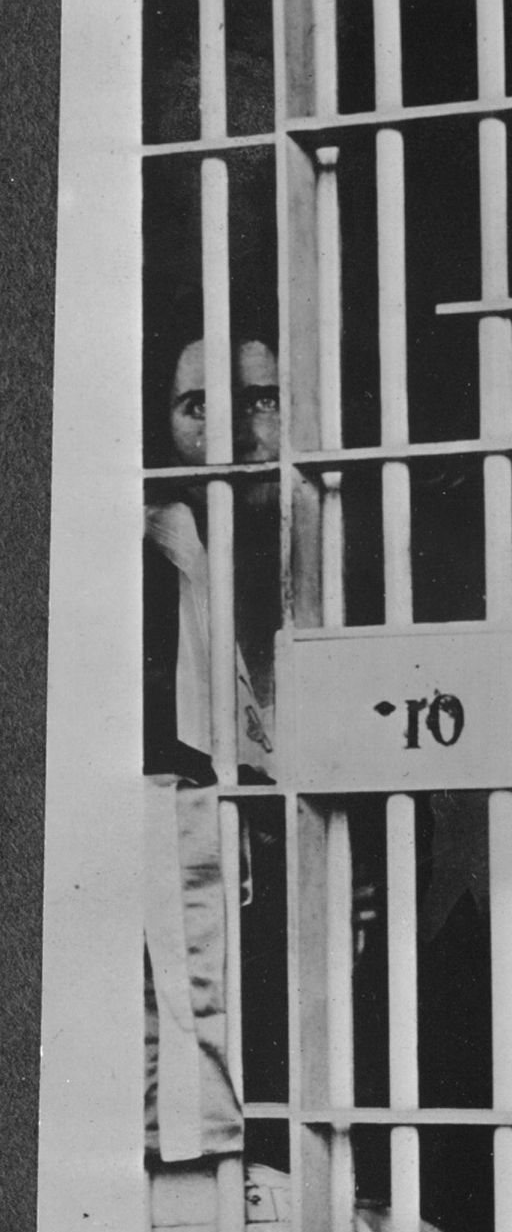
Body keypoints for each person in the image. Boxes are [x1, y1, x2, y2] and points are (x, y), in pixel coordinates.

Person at [144, 316, 282, 1163]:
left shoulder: (350, 549)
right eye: (197, 406)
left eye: (259, 400)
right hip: (218, 899)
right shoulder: (161, 553)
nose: (228, 432)